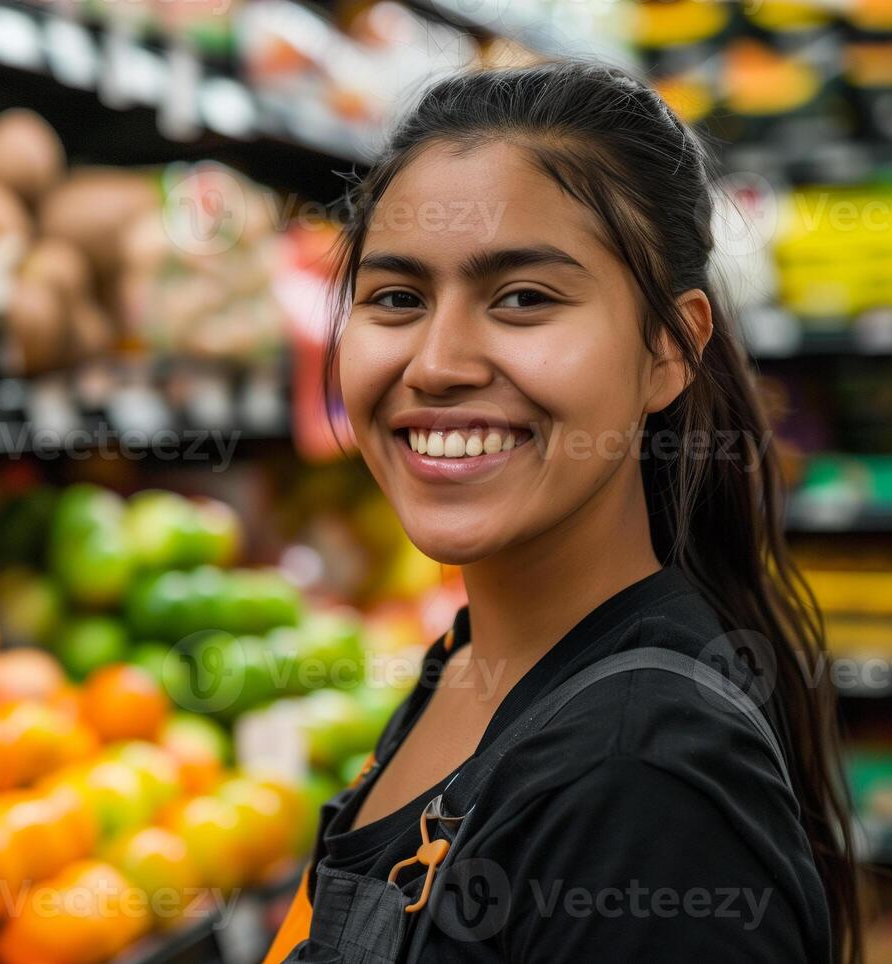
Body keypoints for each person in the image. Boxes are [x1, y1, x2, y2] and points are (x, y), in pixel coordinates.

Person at [263, 58, 860, 963]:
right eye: (396, 298)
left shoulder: (645, 787)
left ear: (670, 347)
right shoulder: (471, 660)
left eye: (524, 299)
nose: (437, 362)